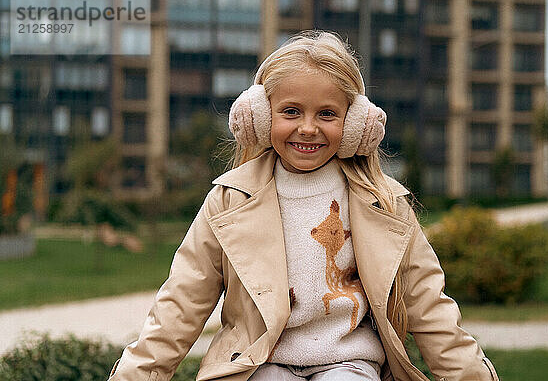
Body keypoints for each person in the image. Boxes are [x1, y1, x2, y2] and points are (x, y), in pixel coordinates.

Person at [108, 30, 499, 381]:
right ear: (259, 116)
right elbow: (181, 303)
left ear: (356, 123)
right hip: (259, 365)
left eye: (326, 114)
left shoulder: (384, 204)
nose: (308, 128)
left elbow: (430, 307)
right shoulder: (229, 201)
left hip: (349, 364)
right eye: (291, 111)